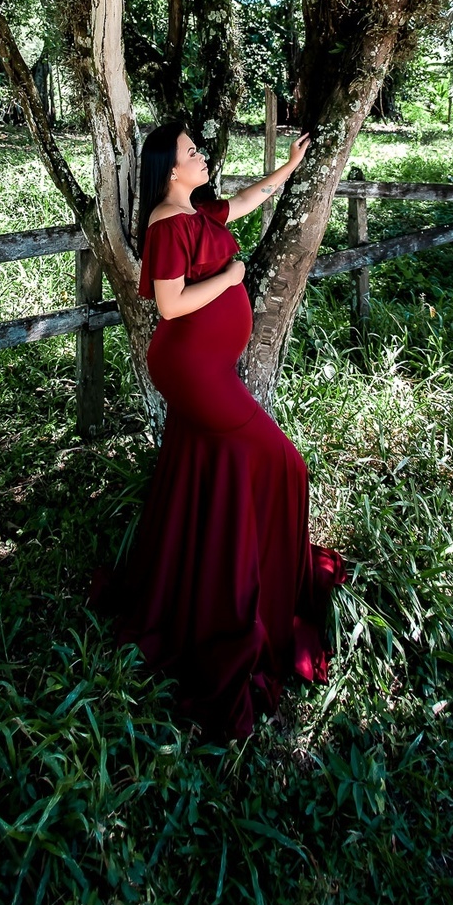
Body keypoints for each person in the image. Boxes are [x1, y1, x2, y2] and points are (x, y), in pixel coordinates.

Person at [91, 117, 346, 741]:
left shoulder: (200, 211)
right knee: (284, 462)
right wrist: (233, 281)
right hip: (193, 369)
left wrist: (289, 166)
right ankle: (255, 594)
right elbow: (170, 303)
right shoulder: (165, 223)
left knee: (210, 471)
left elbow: (248, 200)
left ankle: (208, 580)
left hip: (207, 367)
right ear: (170, 169)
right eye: (191, 152)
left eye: (199, 149)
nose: (202, 156)